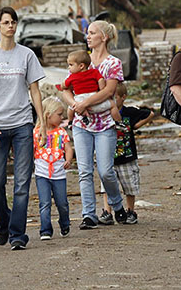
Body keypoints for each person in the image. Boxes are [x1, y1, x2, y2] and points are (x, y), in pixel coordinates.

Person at [0, 7, 45, 250]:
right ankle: (2, 223)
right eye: (6, 22)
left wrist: (41, 122)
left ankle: (17, 235)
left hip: (22, 123)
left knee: (22, 183)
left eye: (14, 22)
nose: (11, 26)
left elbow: (35, 90)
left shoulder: (26, 55)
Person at [61, 20, 128, 229]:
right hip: (82, 124)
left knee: (106, 171)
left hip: (105, 123)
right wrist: (74, 105)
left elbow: (109, 92)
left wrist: (85, 103)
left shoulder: (113, 63)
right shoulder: (80, 61)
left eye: (91, 33)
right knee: (84, 171)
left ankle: (117, 205)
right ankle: (89, 214)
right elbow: (65, 88)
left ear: (104, 37)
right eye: (87, 33)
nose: (87, 36)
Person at [98, 82, 154, 225]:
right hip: (109, 157)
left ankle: (130, 211)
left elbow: (150, 113)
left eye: (114, 97)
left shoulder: (129, 112)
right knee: (106, 185)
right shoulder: (104, 113)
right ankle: (107, 212)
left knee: (129, 186)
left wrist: (136, 126)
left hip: (127, 157)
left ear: (123, 97)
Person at [33, 97, 74, 240]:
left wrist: (68, 159)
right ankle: (45, 230)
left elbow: (68, 148)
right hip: (42, 173)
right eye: (59, 114)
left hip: (58, 174)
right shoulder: (36, 133)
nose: (62, 117)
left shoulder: (61, 132)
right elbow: (31, 150)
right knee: (44, 203)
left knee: (62, 202)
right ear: (47, 115)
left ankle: (64, 223)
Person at [62, 49, 119, 122]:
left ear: (81, 66)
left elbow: (64, 87)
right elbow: (101, 80)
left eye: (71, 65)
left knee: (71, 107)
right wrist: (102, 90)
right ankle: (118, 122)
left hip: (79, 100)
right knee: (112, 104)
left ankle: (71, 121)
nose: (68, 67)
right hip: (94, 99)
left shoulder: (72, 76)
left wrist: (63, 85)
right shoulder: (94, 72)